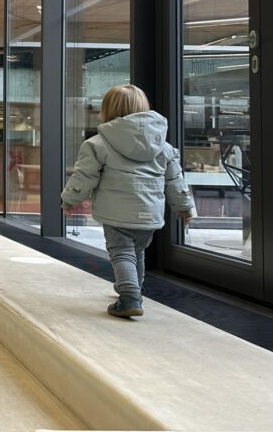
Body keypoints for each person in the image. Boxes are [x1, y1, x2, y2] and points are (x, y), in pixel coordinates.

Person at [61, 84, 195, 318]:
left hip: (116, 212)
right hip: (150, 212)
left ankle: (129, 296)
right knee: (137, 251)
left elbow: (84, 176)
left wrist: (70, 200)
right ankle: (134, 289)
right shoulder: (163, 146)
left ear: (107, 109)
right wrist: (185, 207)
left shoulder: (98, 143)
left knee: (122, 252)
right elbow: (175, 180)